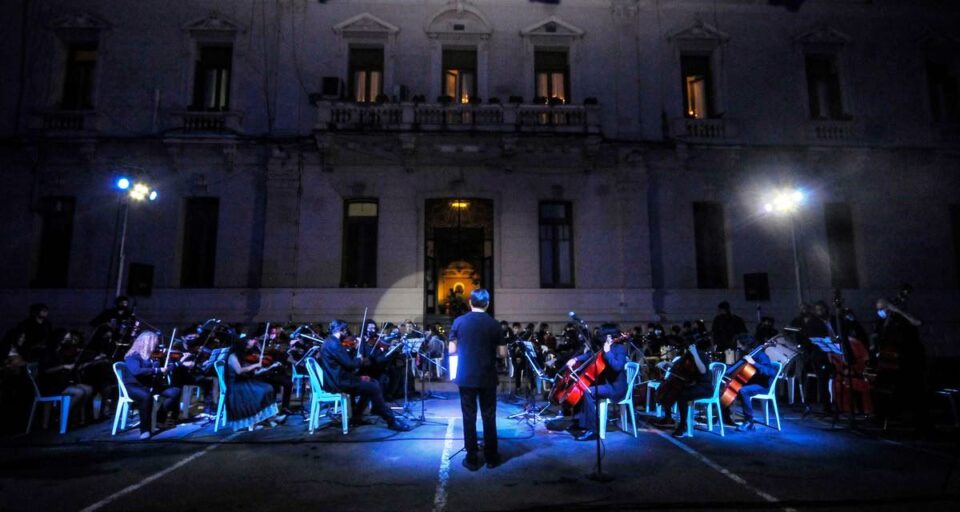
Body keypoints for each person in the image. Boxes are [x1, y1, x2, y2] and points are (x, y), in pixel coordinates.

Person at [320, 320, 411, 432]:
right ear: (341, 330)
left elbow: (344, 363)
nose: (347, 333)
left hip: (337, 379)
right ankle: (390, 420)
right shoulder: (335, 344)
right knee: (373, 386)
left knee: (371, 383)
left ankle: (358, 417)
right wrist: (361, 360)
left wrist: (357, 370)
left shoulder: (329, 342)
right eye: (345, 330)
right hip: (339, 382)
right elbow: (350, 364)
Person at [448, 289, 502, 471]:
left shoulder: (459, 322)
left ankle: (471, 458)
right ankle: (491, 457)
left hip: (466, 376)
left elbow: (451, 350)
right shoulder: (494, 324)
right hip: (488, 376)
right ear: (487, 304)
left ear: (470, 302)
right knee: (489, 416)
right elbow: (502, 353)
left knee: (468, 416)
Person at [563, 323, 628, 441]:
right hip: (607, 383)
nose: (600, 337)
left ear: (609, 336)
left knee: (589, 392)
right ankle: (579, 422)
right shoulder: (606, 346)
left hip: (616, 388)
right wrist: (575, 359)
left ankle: (593, 430)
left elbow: (617, 367)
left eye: (603, 335)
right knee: (582, 387)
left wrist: (607, 352)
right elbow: (591, 355)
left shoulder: (620, 348)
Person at [873, 298, 928, 432]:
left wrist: (897, 310)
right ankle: (886, 415)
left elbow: (917, 322)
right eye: (878, 309)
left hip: (908, 359)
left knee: (911, 389)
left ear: (890, 308)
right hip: (890, 360)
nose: (880, 311)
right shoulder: (883, 322)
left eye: (883, 308)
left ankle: (915, 420)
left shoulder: (901, 318)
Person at [123, 331, 182, 439]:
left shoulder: (153, 355)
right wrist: (157, 370)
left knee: (174, 391)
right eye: (154, 343)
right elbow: (136, 371)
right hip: (134, 386)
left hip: (149, 384)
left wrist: (176, 364)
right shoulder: (133, 356)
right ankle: (145, 429)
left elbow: (165, 368)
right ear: (147, 343)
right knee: (146, 397)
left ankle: (159, 419)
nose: (156, 346)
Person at [223, 334, 284, 431]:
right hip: (236, 386)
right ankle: (258, 421)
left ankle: (271, 417)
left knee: (268, 388)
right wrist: (255, 365)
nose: (253, 342)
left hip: (243, 382)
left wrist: (270, 367)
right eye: (250, 342)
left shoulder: (241, 356)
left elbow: (255, 372)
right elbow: (239, 371)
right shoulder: (232, 356)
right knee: (260, 392)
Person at [731, 337, 779, 431]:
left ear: (746, 344)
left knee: (744, 390)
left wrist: (754, 363)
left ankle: (749, 422)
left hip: (763, 386)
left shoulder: (761, 356)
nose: (738, 346)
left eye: (739, 344)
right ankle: (725, 415)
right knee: (732, 387)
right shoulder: (749, 354)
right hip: (753, 383)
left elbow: (770, 372)